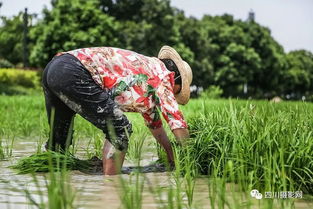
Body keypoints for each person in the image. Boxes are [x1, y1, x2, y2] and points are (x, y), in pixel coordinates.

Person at [42, 45, 193, 175]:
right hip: (73, 71)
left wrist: (171, 154)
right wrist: (190, 155)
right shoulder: (164, 75)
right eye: (176, 91)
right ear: (176, 79)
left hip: (55, 67)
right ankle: (111, 186)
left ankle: (50, 182)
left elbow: (157, 128)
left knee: (59, 144)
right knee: (120, 129)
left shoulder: (149, 77)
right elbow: (176, 120)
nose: (173, 95)